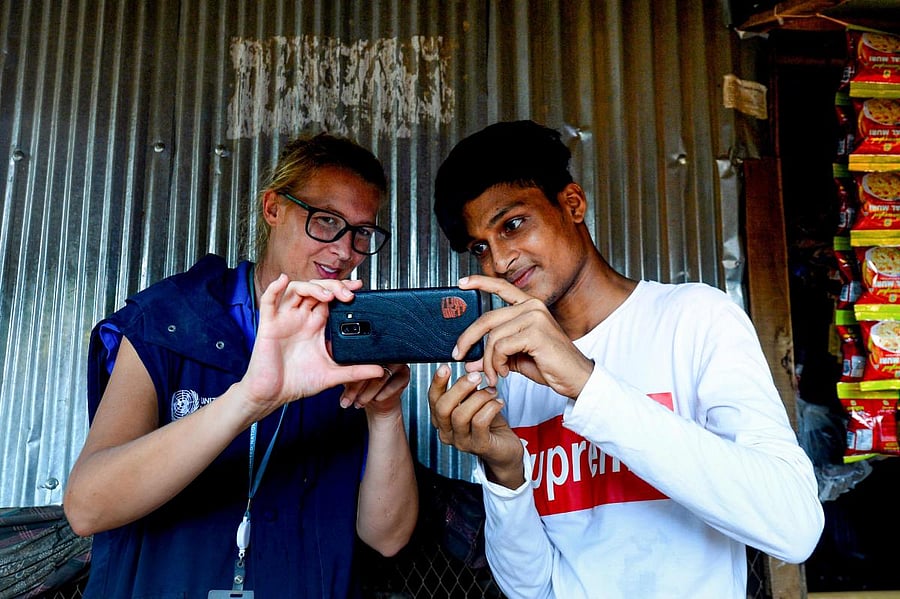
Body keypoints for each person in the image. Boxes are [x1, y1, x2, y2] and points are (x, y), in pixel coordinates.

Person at [427, 120, 824, 599]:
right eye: (480, 249)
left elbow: (795, 526)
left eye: (513, 225)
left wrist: (587, 384)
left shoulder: (694, 318)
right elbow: (530, 589)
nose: (500, 261)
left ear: (572, 204)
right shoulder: (514, 375)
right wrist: (505, 473)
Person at [63, 133, 418, 598]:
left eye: (362, 232)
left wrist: (386, 414)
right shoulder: (170, 319)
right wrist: (249, 399)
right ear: (274, 208)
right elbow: (88, 507)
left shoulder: (354, 345)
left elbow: (387, 538)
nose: (345, 250)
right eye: (326, 221)